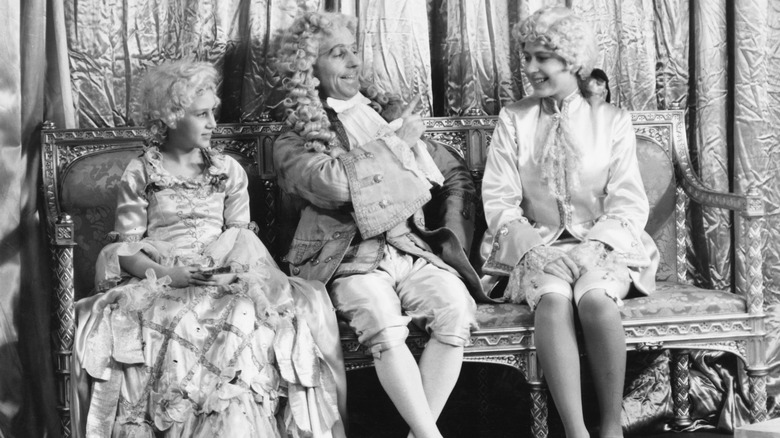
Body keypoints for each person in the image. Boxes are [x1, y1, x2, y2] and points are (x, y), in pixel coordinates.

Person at [72, 60, 347, 438]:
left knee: (243, 316)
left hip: (222, 278)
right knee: (179, 321)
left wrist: (229, 273)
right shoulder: (142, 172)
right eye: (201, 114)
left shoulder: (227, 170)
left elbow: (242, 242)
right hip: (164, 281)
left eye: (212, 112)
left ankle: (231, 425)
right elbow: (126, 250)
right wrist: (170, 274)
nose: (213, 123)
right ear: (170, 117)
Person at [273, 12, 493, 438]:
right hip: (346, 258)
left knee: (455, 308)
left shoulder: (375, 115)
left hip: (408, 247)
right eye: (338, 54)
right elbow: (334, 185)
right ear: (309, 72)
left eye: (354, 50)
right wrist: (395, 144)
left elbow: (433, 179)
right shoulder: (294, 137)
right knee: (379, 317)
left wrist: (397, 139)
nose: (354, 62)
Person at [480, 7, 658, 438]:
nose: (530, 68)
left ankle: (611, 428)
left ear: (572, 60)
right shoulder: (514, 119)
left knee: (596, 299)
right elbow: (500, 199)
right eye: (526, 57)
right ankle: (576, 432)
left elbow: (629, 202)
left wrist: (592, 247)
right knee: (554, 300)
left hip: (602, 244)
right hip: (535, 246)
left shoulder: (611, 121)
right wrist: (538, 252)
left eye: (542, 57)